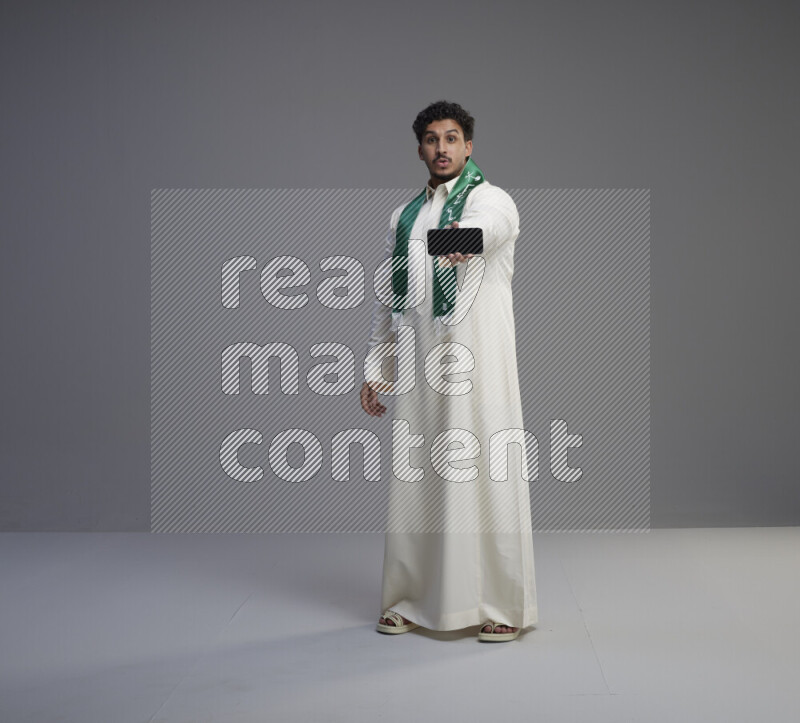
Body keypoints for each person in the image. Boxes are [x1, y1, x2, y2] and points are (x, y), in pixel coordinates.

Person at [360, 100, 538, 642]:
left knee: (488, 473)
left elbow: (481, 234)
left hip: (479, 364)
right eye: (432, 139)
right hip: (420, 365)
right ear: (420, 149)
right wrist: (375, 364)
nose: (442, 148)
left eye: (452, 137)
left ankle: (502, 606)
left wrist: (446, 244)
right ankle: (411, 600)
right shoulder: (402, 216)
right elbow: (390, 296)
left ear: (469, 146)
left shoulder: (493, 199)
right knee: (418, 480)